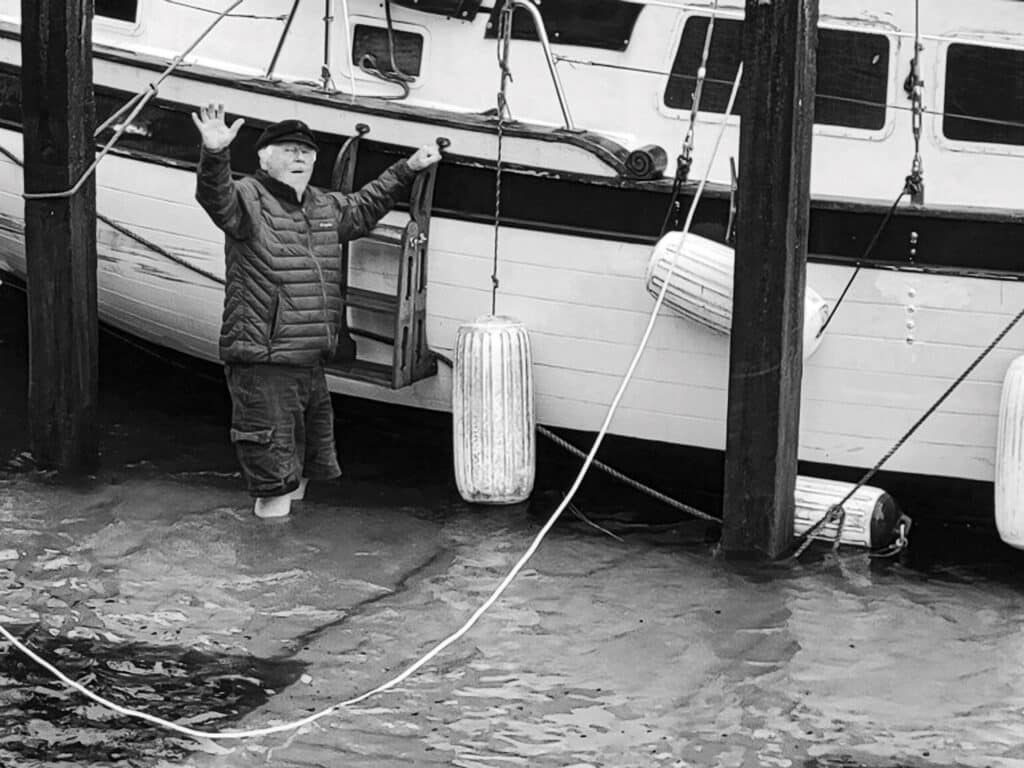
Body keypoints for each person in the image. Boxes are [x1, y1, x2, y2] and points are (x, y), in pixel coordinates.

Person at [192, 102, 441, 518]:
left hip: (310, 365)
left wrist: (409, 168)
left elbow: (364, 207)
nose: (299, 157)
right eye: (288, 150)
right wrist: (215, 153)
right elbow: (215, 197)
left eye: (306, 151)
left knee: (306, 472)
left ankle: (291, 564)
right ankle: (268, 567)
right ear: (263, 158)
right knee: (275, 484)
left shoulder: (323, 206)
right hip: (264, 365)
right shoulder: (248, 200)